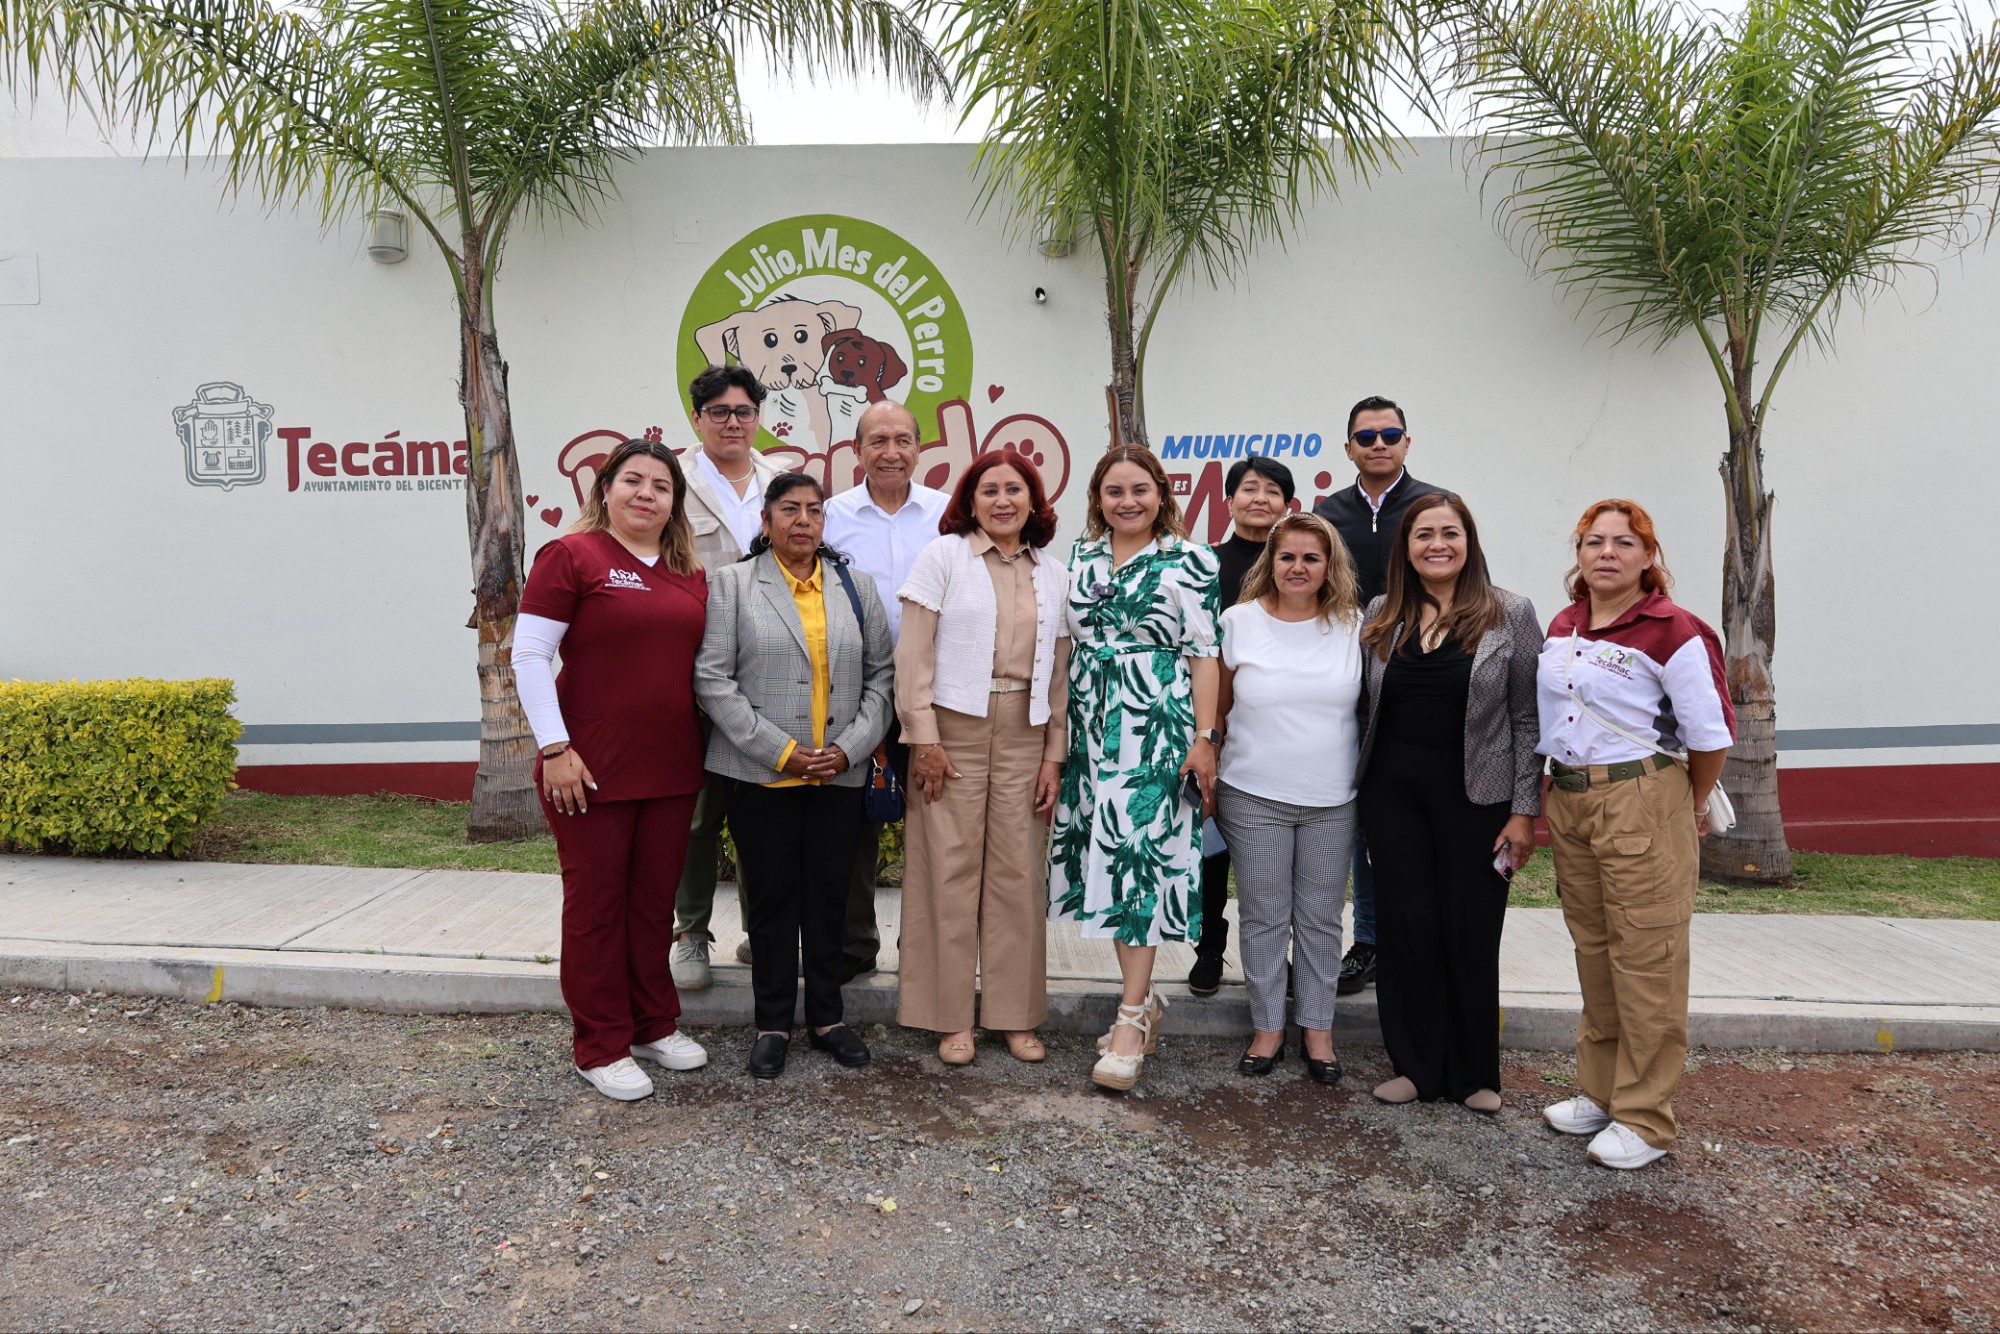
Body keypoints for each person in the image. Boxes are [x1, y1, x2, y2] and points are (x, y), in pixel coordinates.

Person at [1536, 499, 1733, 1170]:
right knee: (1595, 949)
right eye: (1594, 541)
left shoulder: (1674, 629)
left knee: (1648, 957)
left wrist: (1689, 804)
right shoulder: (1564, 624)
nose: (1607, 553)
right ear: (1579, 553)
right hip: (1570, 796)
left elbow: (1709, 735)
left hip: (1641, 797)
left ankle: (1645, 1117)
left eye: (1625, 542)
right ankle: (1601, 1092)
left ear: (1649, 557)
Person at [514, 438, 711, 1100]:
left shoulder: (689, 573)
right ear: (605, 489)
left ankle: (653, 1024)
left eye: (662, 485)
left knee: (652, 906)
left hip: (672, 767)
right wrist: (554, 749)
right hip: (587, 768)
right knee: (597, 907)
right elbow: (529, 656)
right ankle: (600, 1045)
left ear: (674, 502)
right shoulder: (572, 555)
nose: (646, 493)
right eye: (633, 480)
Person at [693, 473, 895, 1079]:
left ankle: (828, 1019)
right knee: (772, 900)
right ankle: (773, 1023)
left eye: (813, 510)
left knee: (831, 898)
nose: (803, 520)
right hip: (761, 775)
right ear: (767, 520)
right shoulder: (732, 585)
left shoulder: (855, 586)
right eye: (789, 509)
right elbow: (712, 679)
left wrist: (848, 750)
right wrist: (781, 752)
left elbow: (882, 678)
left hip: (837, 773)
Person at [1355, 494, 1542, 1113]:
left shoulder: (1511, 613)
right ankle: (1414, 1067)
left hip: (1479, 802)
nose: (1437, 544)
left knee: (1471, 928)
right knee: (1407, 926)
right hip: (1392, 799)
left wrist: (1523, 810)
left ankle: (1474, 1074)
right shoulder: (1383, 612)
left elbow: (1527, 716)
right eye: (1424, 534)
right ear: (1406, 549)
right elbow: (1366, 709)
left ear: (1469, 541)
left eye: (1450, 532)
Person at [1049, 446, 1221, 1092]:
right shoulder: (1080, 557)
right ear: (1097, 498)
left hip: (1156, 725)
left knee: (1140, 863)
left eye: (1140, 490)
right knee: (1111, 864)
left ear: (1161, 494)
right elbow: (1065, 645)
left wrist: (1204, 738)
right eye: (1114, 491)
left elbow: (1205, 653)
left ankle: (1129, 1020)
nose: (1128, 501)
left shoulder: (1191, 559)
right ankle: (1143, 1001)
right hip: (1091, 731)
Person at [895, 450, 1068, 1065]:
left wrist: (1053, 756)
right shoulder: (943, 557)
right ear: (970, 501)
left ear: (1033, 501)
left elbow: (1059, 674)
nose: (1002, 500)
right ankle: (948, 1018)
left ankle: (1014, 1016)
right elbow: (913, 655)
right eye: (989, 490)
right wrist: (924, 740)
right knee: (947, 871)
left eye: (1014, 490)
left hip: (1025, 731)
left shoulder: (1053, 571)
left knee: (1018, 875)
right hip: (952, 731)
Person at [1212, 513, 1363, 1084]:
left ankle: (1318, 1031)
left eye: (1311, 558)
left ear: (1330, 566)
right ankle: (1268, 1028)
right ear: (1269, 562)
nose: (1298, 568)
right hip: (1252, 793)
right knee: (1264, 916)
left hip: (1333, 798)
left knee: (1321, 920)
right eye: (1287, 557)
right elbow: (1217, 709)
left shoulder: (1355, 626)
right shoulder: (1238, 622)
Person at [1314, 396, 1453, 1000]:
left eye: (1390, 434)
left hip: (1416, 682)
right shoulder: (1329, 513)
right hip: (1345, 683)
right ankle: (1370, 940)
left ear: (1406, 442)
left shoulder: (1432, 507)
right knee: (1363, 821)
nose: (1378, 444)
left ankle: (1418, 938)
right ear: (1348, 448)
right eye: (1366, 436)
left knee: (1411, 818)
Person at [823, 400, 951, 982]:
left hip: (937, 693)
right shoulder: (831, 517)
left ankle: (923, 951)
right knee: (854, 822)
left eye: (902, 440)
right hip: (857, 692)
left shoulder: (948, 515)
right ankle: (854, 945)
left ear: (920, 448)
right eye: (878, 441)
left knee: (935, 819)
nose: (891, 452)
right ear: (857, 451)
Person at [670, 365, 784, 992]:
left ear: (758, 417)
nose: (732, 422)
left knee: (759, 815)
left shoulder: (780, 480)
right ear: (698, 418)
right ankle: (690, 932)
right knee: (696, 816)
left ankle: (758, 932)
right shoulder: (671, 480)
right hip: (690, 670)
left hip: (767, 674)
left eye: (743, 411)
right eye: (719, 412)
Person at [1188, 455, 1296, 998]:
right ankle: (1209, 946)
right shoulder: (1204, 564)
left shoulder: (1299, 565)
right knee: (1211, 845)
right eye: (1249, 489)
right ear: (1228, 502)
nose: (1261, 499)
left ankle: (1282, 954)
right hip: (1214, 724)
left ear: (1288, 505)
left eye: (1273, 491)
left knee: (1277, 857)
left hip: (1277, 730)